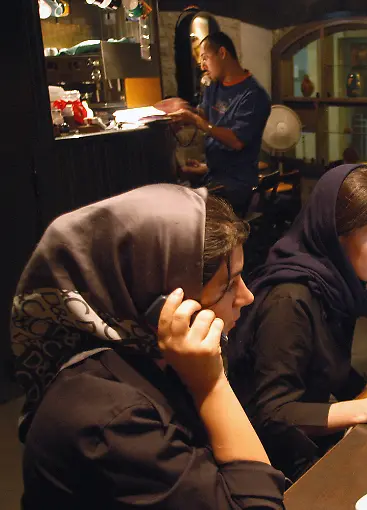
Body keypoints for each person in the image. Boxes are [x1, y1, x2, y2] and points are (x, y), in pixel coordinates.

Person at [13, 184, 285, 509]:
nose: (247, 297)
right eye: (228, 285)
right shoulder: (111, 418)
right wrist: (211, 384)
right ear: (160, 302)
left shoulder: (150, 357)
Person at [228, 164, 367, 480]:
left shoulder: (335, 285)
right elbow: (273, 414)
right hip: (276, 463)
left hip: (305, 439)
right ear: (338, 237)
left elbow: (325, 359)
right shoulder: (289, 301)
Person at [166, 31, 271, 216]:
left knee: (188, 215)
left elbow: (237, 141)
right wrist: (182, 112)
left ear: (222, 53)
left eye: (205, 58)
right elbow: (206, 116)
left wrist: (196, 121)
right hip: (213, 174)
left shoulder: (253, 95)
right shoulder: (214, 86)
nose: (202, 65)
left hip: (236, 183)